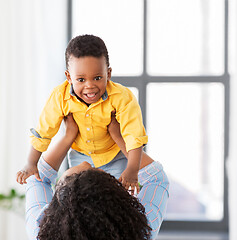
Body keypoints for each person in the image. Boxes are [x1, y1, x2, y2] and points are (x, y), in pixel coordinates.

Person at [17, 34, 148, 192]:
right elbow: (44, 131)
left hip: (114, 157)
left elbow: (134, 137)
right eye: (81, 80)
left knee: (114, 199)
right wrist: (31, 163)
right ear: (69, 77)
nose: (90, 86)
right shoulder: (60, 96)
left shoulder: (122, 97)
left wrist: (132, 170)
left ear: (109, 73)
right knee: (82, 199)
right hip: (80, 157)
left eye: (98, 78)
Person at [24, 114, 169, 240]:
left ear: (57, 207)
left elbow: (36, 176)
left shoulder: (41, 231)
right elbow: (156, 178)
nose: (88, 161)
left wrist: (68, 136)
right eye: (94, 168)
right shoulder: (139, 230)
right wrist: (118, 138)